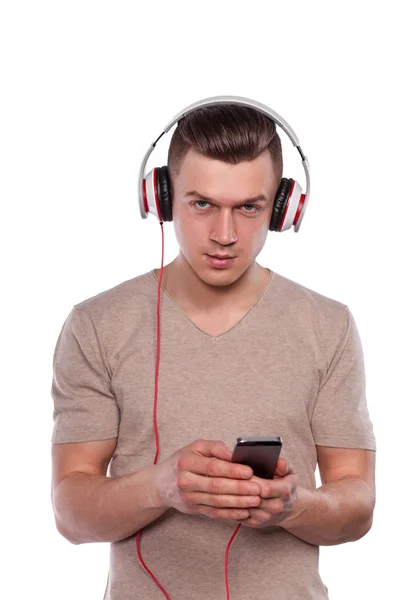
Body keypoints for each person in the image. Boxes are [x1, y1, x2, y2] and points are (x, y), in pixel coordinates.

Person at [51, 97, 376, 600]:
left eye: (249, 208)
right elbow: (70, 513)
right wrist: (161, 487)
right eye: (201, 204)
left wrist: (294, 506)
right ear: (160, 197)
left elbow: (357, 505)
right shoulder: (96, 325)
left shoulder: (327, 325)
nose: (224, 236)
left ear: (283, 208)